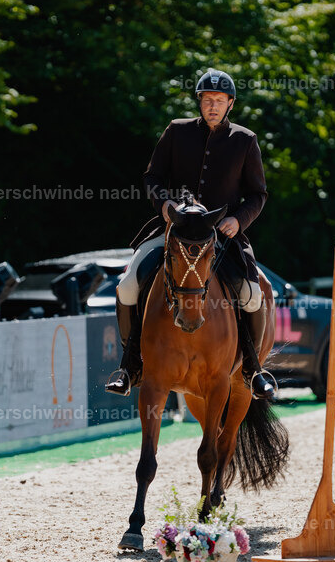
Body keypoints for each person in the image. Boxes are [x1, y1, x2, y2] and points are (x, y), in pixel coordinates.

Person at [105, 68, 275, 399]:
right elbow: (152, 177)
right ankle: (129, 366)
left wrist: (238, 221)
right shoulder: (176, 132)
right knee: (127, 286)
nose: (212, 106)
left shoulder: (245, 140)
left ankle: (253, 369)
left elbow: (258, 194)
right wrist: (165, 205)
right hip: (175, 230)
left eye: (219, 101)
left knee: (253, 295)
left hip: (223, 236)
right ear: (200, 102)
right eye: (207, 100)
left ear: (230, 104)